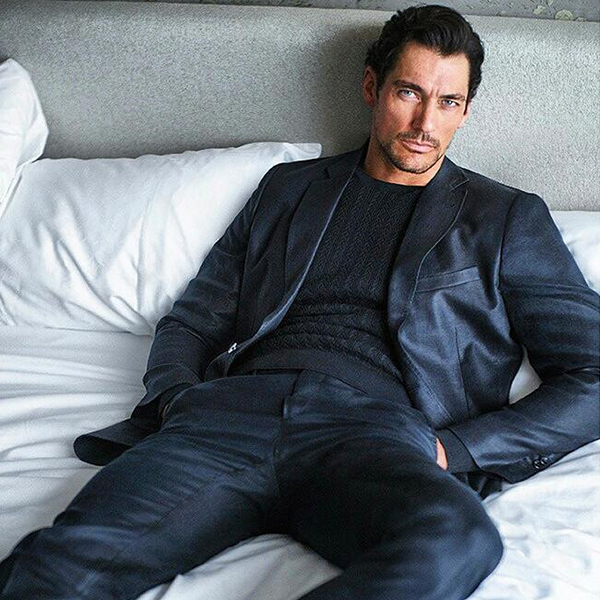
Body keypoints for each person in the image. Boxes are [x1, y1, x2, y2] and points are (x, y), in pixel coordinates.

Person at [1, 5, 598, 600]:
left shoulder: (504, 217)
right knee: (58, 566)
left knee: (458, 542)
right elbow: (194, 319)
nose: (425, 123)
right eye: (409, 93)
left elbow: (592, 372)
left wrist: (459, 448)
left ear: (465, 111)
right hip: (229, 416)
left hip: (379, 433)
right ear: (372, 87)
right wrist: (176, 398)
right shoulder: (289, 188)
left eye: (448, 102)